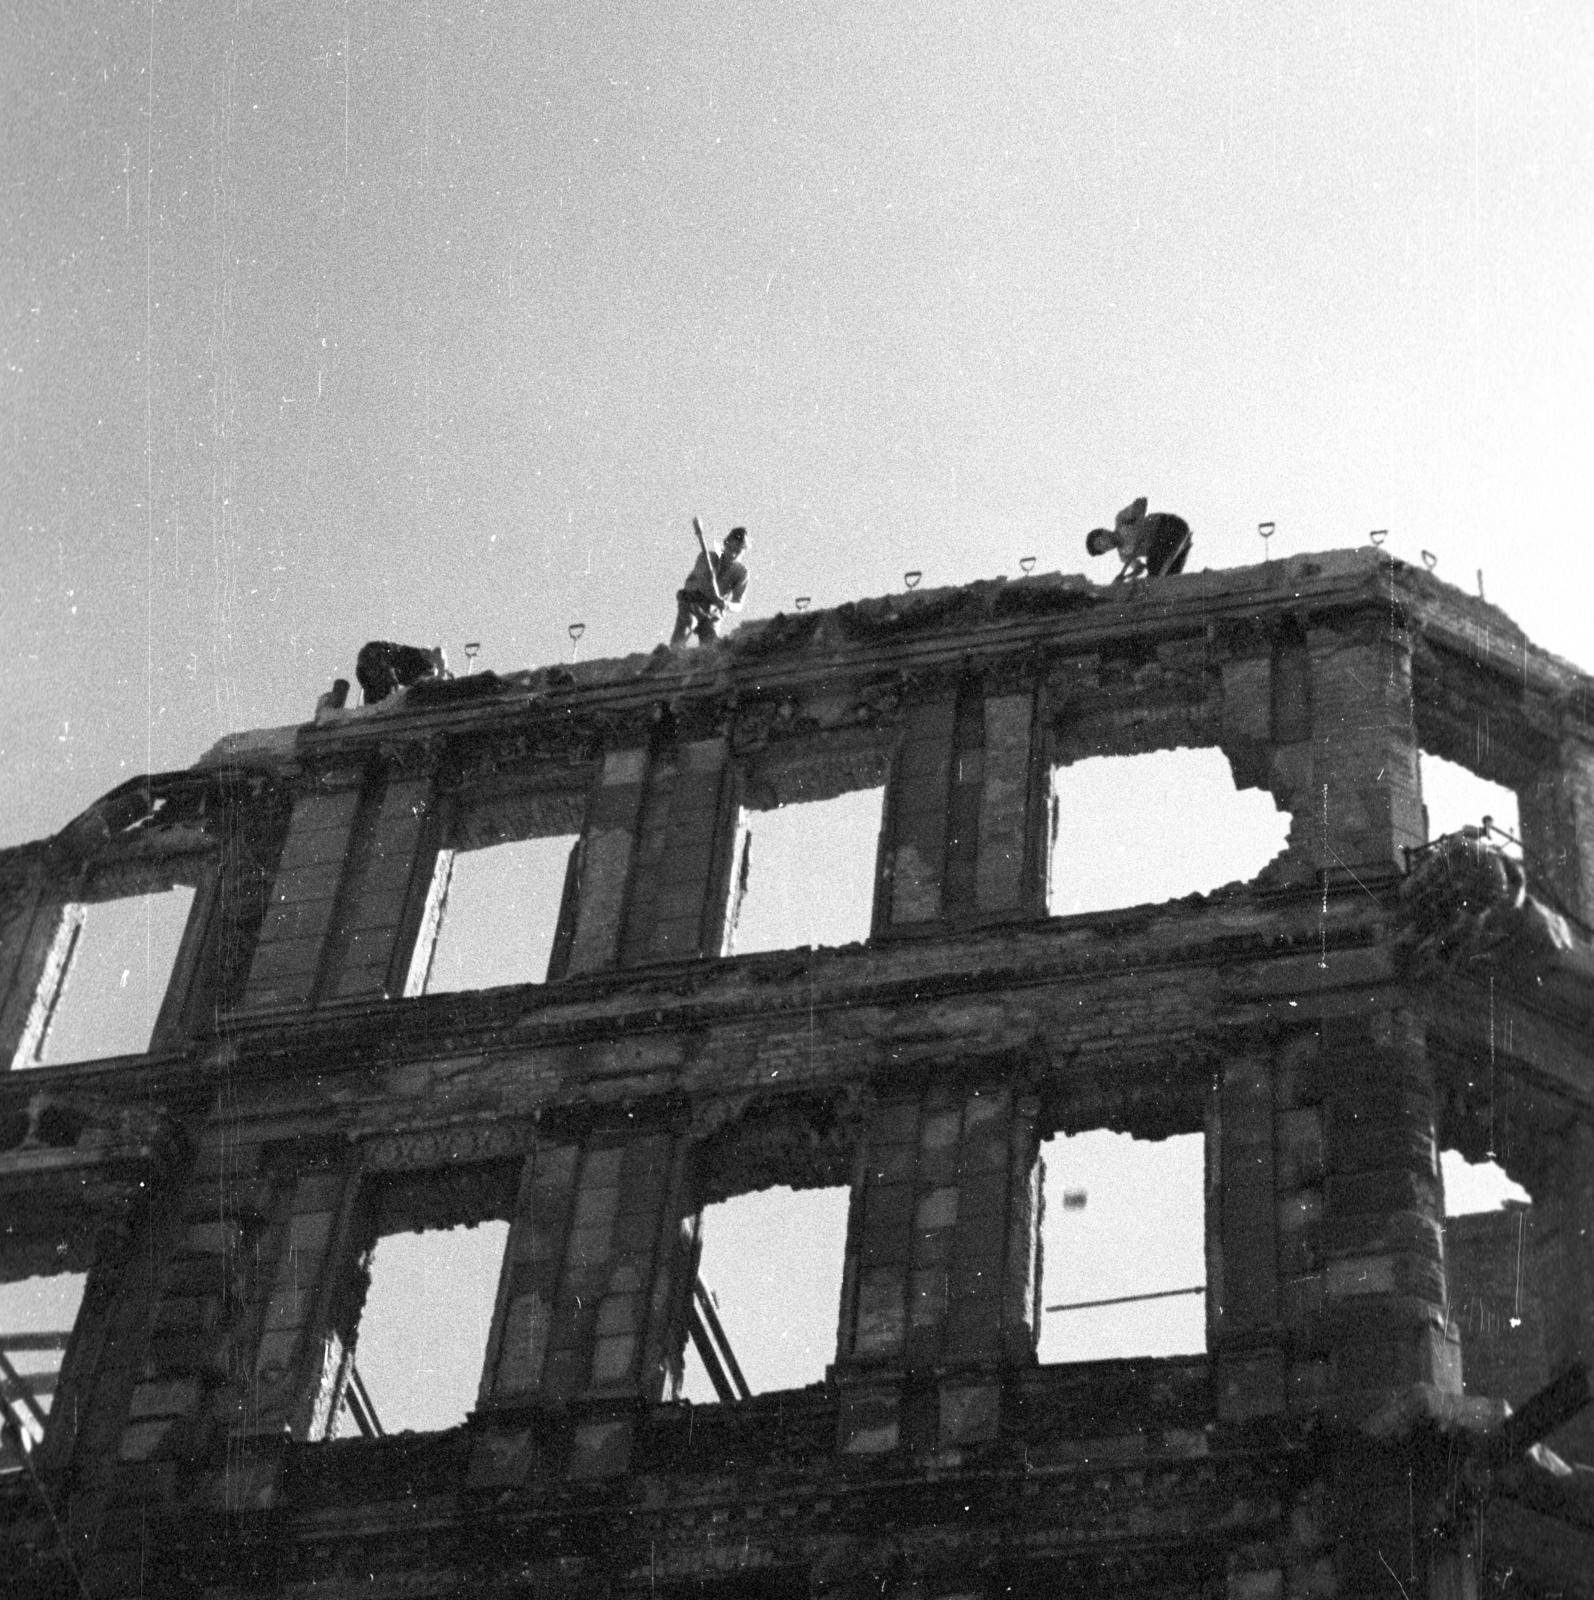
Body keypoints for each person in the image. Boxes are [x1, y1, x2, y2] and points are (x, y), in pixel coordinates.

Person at [671, 525, 750, 646]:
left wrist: (726, 605)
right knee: (685, 628)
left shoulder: (741, 573)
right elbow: (694, 583)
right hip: (692, 603)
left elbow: (738, 604)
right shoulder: (707, 557)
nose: (733, 554)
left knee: (711, 649)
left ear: (743, 552)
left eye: (738, 551)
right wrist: (708, 578)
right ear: (726, 544)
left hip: (713, 613)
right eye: (732, 548)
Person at [1086, 497, 1192, 581]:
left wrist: (1140, 521)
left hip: (1169, 526)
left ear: (1104, 531)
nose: (1105, 546)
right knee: (1168, 581)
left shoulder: (1121, 521)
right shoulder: (1124, 555)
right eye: (1102, 549)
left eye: (1100, 542)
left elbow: (1141, 501)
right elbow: (1139, 569)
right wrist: (1127, 576)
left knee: (1154, 571)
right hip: (1176, 545)